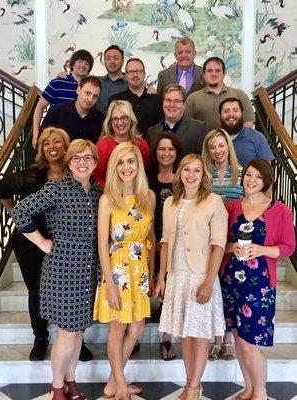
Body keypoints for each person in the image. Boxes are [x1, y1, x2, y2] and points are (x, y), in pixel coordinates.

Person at [11, 139, 103, 400]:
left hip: (88, 271)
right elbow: (20, 211)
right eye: (76, 158)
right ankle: (57, 387)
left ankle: (71, 383)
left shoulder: (98, 193)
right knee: (67, 333)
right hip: (62, 270)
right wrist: (41, 242)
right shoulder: (57, 188)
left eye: (87, 158)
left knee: (77, 333)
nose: (82, 163)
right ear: (68, 163)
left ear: (95, 162)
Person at [220, 158, 295, 400]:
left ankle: (261, 392)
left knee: (251, 343)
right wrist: (232, 247)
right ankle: (249, 387)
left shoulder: (280, 209)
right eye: (249, 174)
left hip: (260, 285)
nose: (252, 180)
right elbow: (221, 243)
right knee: (239, 340)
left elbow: (288, 247)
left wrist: (262, 250)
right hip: (231, 282)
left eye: (258, 177)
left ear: (266, 181)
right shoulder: (232, 207)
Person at [155, 154, 228, 400]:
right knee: (184, 334)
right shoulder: (170, 203)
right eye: (187, 169)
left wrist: (209, 280)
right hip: (177, 275)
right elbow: (164, 241)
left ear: (203, 175)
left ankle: (195, 387)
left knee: (198, 335)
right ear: (180, 173)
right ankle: (189, 382)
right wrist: (162, 277)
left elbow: (218, 244)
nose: (191, 175)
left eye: (197, 171)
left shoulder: (214, 202)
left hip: (200, 276)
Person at [0, 127, 69, 362]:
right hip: (31, 243)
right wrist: (14, 213)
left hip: (65, 243)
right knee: (36, 290)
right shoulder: (31, 175)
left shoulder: (75, 173)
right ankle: (40, 337)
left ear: (66, 146)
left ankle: (73, 336)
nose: (51, 146)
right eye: (46, 143)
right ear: (41, 149)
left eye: (56, 141)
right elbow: (1, 188)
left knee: (69, 291)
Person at [94, 142, 155, 400]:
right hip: (117, 269)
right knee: (117, 328)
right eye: (120, 162)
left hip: (140, 269)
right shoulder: (108, 198)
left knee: (138, 326)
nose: (126, 167)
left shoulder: (148, 196)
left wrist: (151, 273)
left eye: (131, 161)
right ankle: (120, 386)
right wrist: (109, 283)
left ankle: (112, 381)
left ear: (138, 165)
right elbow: (101, 244)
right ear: (114, 167)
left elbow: (151, 234)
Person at [202, 128, 244, 361]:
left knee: (230, 292)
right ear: (207, 150)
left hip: (235, 241)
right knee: (214, 290)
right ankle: (215, 339)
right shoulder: (204, 175)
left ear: (228, 146)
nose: (218, 151)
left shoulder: (241, 172)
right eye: (212, 146)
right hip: (210, 241)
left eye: (221, 145)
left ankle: (227, 339)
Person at [148, 132, 184, 361]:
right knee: (154, 286)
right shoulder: (148, 177)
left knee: (170, 289)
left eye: (170, 149)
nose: (166, 153)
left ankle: (166, 338)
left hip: (178, 242)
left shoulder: (184, 177)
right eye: (162, 149)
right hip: (150, 240)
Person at [32, 49, 94, 148]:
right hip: (55, 140)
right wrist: (35, 134)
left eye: (86, 63)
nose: (83, 65)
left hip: (78, 142)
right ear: (72, 64)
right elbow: (39, 107)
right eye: (80, 61)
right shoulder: (57, 82)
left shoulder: (90, 88)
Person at [185, 57, 255, 131]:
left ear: (224, 74)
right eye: (209, 71)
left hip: (232, 142)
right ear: (204, 75)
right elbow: (186, 125)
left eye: (218, 71)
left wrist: (236, 141)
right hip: (201, 142)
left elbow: (248, 122)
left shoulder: (239, 95)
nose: (214, 74)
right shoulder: (192, 98)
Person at [92, 100, 150, 186]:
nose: (120, 122)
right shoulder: (102, 146)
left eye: (123, 117)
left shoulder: (141, 144)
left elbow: (145, 173)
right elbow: (95, 177)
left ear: (131, 119)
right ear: (110, 123)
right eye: (115, 118)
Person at [109, 57, 163, 138]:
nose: (135, 75)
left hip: (151, 148)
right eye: (131, 72)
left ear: (144, 74)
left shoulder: (157, 100)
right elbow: (110, 129)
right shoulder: (115, 100)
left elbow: (161, 128)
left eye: (138, 71)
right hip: (123, 149)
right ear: (126, 75)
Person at [147, 84, 208, 155]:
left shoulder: (199, 129)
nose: (172, 105)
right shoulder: (152, 132)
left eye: (177, 101)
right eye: (168, 100)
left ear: (184, 105)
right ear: (163, 103)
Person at [40, 75, 104, 142]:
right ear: (78, 90)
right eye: (87, 93)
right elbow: (43, 140)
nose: (90, 99)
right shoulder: (57, 111)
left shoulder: (101, 119)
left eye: (95, 96)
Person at [219, 97, 274, 166]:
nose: (231, 114)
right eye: (226, 111)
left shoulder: (257, 137)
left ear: (242, 114)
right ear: (220, 115)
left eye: (235, 110)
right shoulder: (213, 138)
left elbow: (267, 170)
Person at [96, 45, 128, 115]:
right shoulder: (96, 82)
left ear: (122, 61)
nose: (112, 61)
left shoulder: (131, 84)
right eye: (108, 58)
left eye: (116, 58)